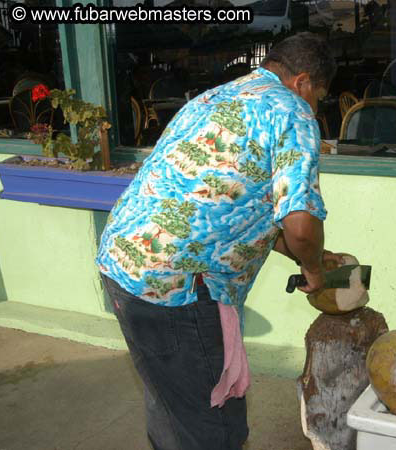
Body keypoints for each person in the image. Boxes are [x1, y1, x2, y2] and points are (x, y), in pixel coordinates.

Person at [95, 32, 340, 450]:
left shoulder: (216, 97)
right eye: (319, 95)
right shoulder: (292, 110)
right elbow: (300, 224)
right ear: (302, 82)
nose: (315, 106)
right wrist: (314, 270)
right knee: (213, 428)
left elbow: (226, 207)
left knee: (170, 402)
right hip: (177, 289)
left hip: (123, 266)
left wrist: (300, 255)